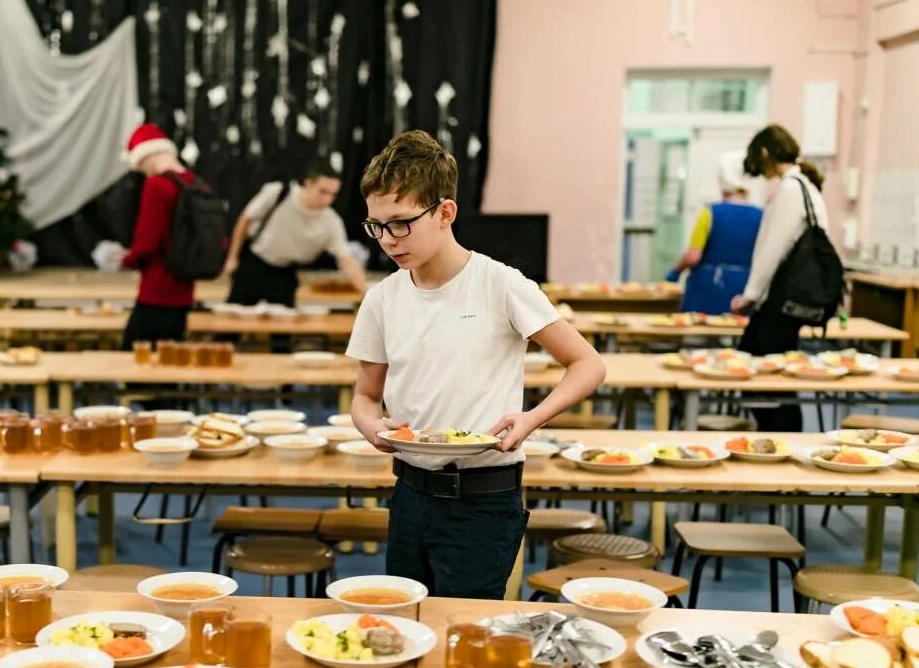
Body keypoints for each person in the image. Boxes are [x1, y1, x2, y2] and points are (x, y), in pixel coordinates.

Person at [346, 131, 607, 600]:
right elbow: (365, 396)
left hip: (483, 496)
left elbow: (587, 364)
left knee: (464, 635)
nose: (387, 239)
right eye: (376, 226)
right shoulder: (382, 299)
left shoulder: (500, 284)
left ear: (445, 213)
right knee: (407, 624)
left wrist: (531, 419)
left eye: (401, 223)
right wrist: (372, 427)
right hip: (410, 492)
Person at [731, 123, 829, 431]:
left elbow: (773, 249)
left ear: (764, 153)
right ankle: (776, 447)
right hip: (791, 300)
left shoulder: (790, 189)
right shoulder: (807, 187)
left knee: (764, 379)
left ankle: (781, 449)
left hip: (779, 302)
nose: (760, 173)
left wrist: (750, 294)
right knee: (774, 380)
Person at [223, 159, 369, 307]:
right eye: (323, 192)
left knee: (284, 325)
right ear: (308, 183)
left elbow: (346, 260)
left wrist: (367, 295)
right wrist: (232, 258)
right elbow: (245, 220)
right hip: (253, 265)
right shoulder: (279, 193)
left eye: (333, 195)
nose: (327, 200)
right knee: (231, 319)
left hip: (285, 274)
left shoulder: (331, 221)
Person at [117, 123, 196, 350]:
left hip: (157, 288)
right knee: (169, 356)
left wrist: (127, 260)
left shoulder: (157, 186)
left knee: (135, 355)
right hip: (185, 288)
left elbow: (147, 242)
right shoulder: (192, 183)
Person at [670, 151, 763, 314]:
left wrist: (675, 272)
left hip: (707, 291)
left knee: (700, 336)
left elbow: (693, 256)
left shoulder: (710, 213)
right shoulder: (762, 216)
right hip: (743, 293)